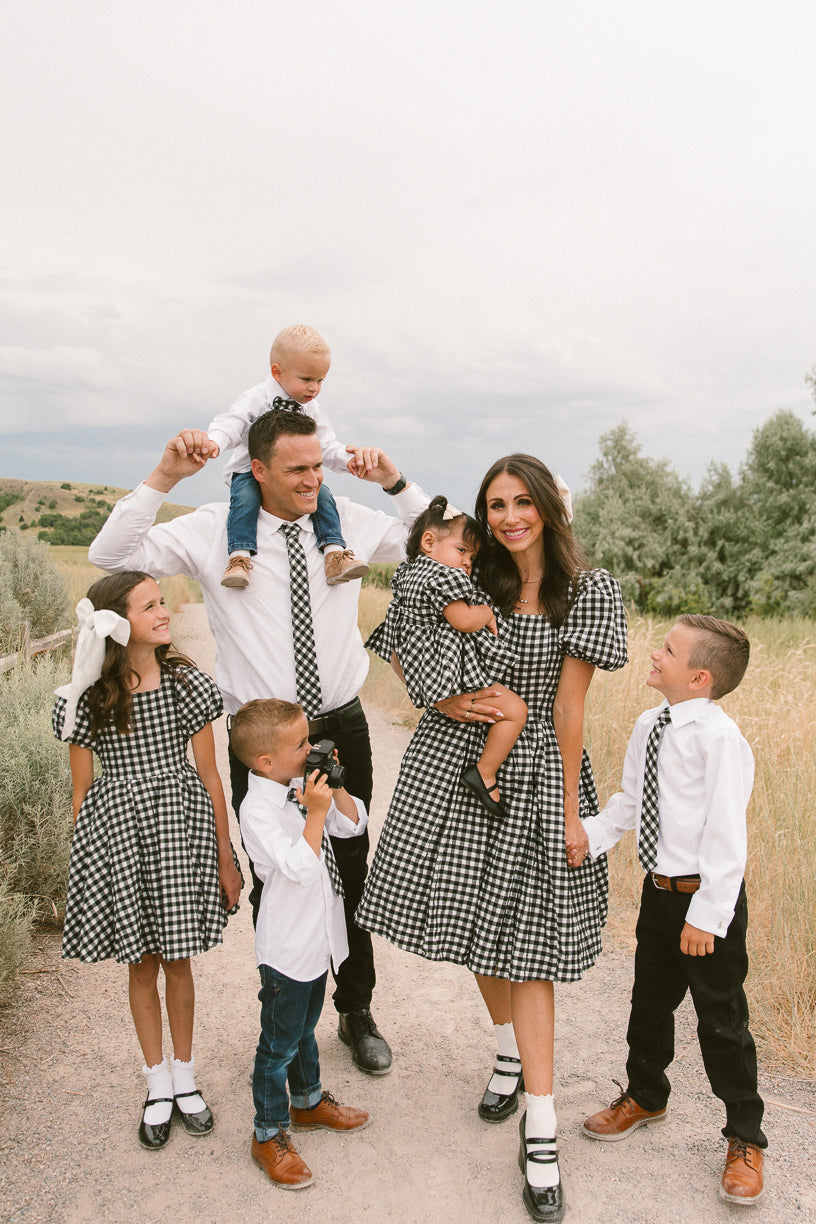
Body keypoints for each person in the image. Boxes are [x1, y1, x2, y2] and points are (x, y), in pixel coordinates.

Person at [88, 410, 430, 1076]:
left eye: (317, 466)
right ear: (259, 469)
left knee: (351, 872)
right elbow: (112, 555)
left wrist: (394, 481)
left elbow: (438, 541)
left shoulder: (347, 520)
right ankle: (286, 1012)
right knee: (277, 878)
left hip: (340, 721)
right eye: (297, 469)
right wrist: (164, 475)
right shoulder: (217, 530)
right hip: (260, 739)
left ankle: (356, 1012)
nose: (312, 479)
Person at [356, 454, 628, 1223]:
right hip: (453, 770)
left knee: (530, 947)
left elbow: (569, 707)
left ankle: (540, 1129)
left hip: (539, 772)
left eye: (521, 502)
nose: (508, 517)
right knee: (479, 936)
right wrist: (440, 702)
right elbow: (403, 631)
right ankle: (508, 1050)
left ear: (548, 506)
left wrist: (574, 810)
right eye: (496, 504)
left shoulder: (588, 590)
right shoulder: (467, 577)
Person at [52, 572, 243, 1150]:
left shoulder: (187, 684)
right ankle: (156, 1081)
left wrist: (225, 857)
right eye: (150, 606)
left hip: (178, 832)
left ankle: (186, 1076)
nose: (164, 613)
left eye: (164, 603)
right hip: (122, 840)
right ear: (117, 624)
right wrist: (93, 870)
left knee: (179, 960)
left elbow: (211, 776)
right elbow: (84, 794)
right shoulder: (90, 696)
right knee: (141, 964)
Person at [580, 615, 766, 1207]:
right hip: (658, 894)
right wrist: (591, 835)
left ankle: (744, 1136)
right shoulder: (649, 725)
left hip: (706, 902)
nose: (654, 655)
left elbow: (726, 837)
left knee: (721, 1022)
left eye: (668, 650)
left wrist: (706, 917)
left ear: (699, 677)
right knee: (648, 1002)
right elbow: (632, 799)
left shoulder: (719, 740)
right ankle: (645, 1095)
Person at [231, 698, 371, 1189]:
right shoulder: (257, 810)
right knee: (278, 1043)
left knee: (306, 1025)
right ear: (265, 761)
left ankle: (308, 1101)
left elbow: (353, 824)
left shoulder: (299, 788)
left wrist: (335, 785)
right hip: (287, 946)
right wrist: (314, 812)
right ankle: (267, 1133)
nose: (310, 749)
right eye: (301, 744)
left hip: (318, 940)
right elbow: (297, 867)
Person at [366, 494, 526, 817]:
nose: (468, 563)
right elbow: (463, 621)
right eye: (462, 551)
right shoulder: (444, 576)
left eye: (472, 557)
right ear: (428, 542)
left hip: (424, 677)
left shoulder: (407, 575)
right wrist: (486, 614)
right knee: (516, 711)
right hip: (451, 676)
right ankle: (485, 772)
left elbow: (396, 639)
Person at [205, 323, 370, 589]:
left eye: (320, 381)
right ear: (277, 372)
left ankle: (334, 553)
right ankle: (239, 557)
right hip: (250, 471)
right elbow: (231, 424)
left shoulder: (312, 409)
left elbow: (327, 445)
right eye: (307, 379)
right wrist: (214, 442)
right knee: (245, 499)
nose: (314, 388)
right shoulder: (255, 399)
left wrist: (348, 460)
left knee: (323, 496)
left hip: (293, 475)